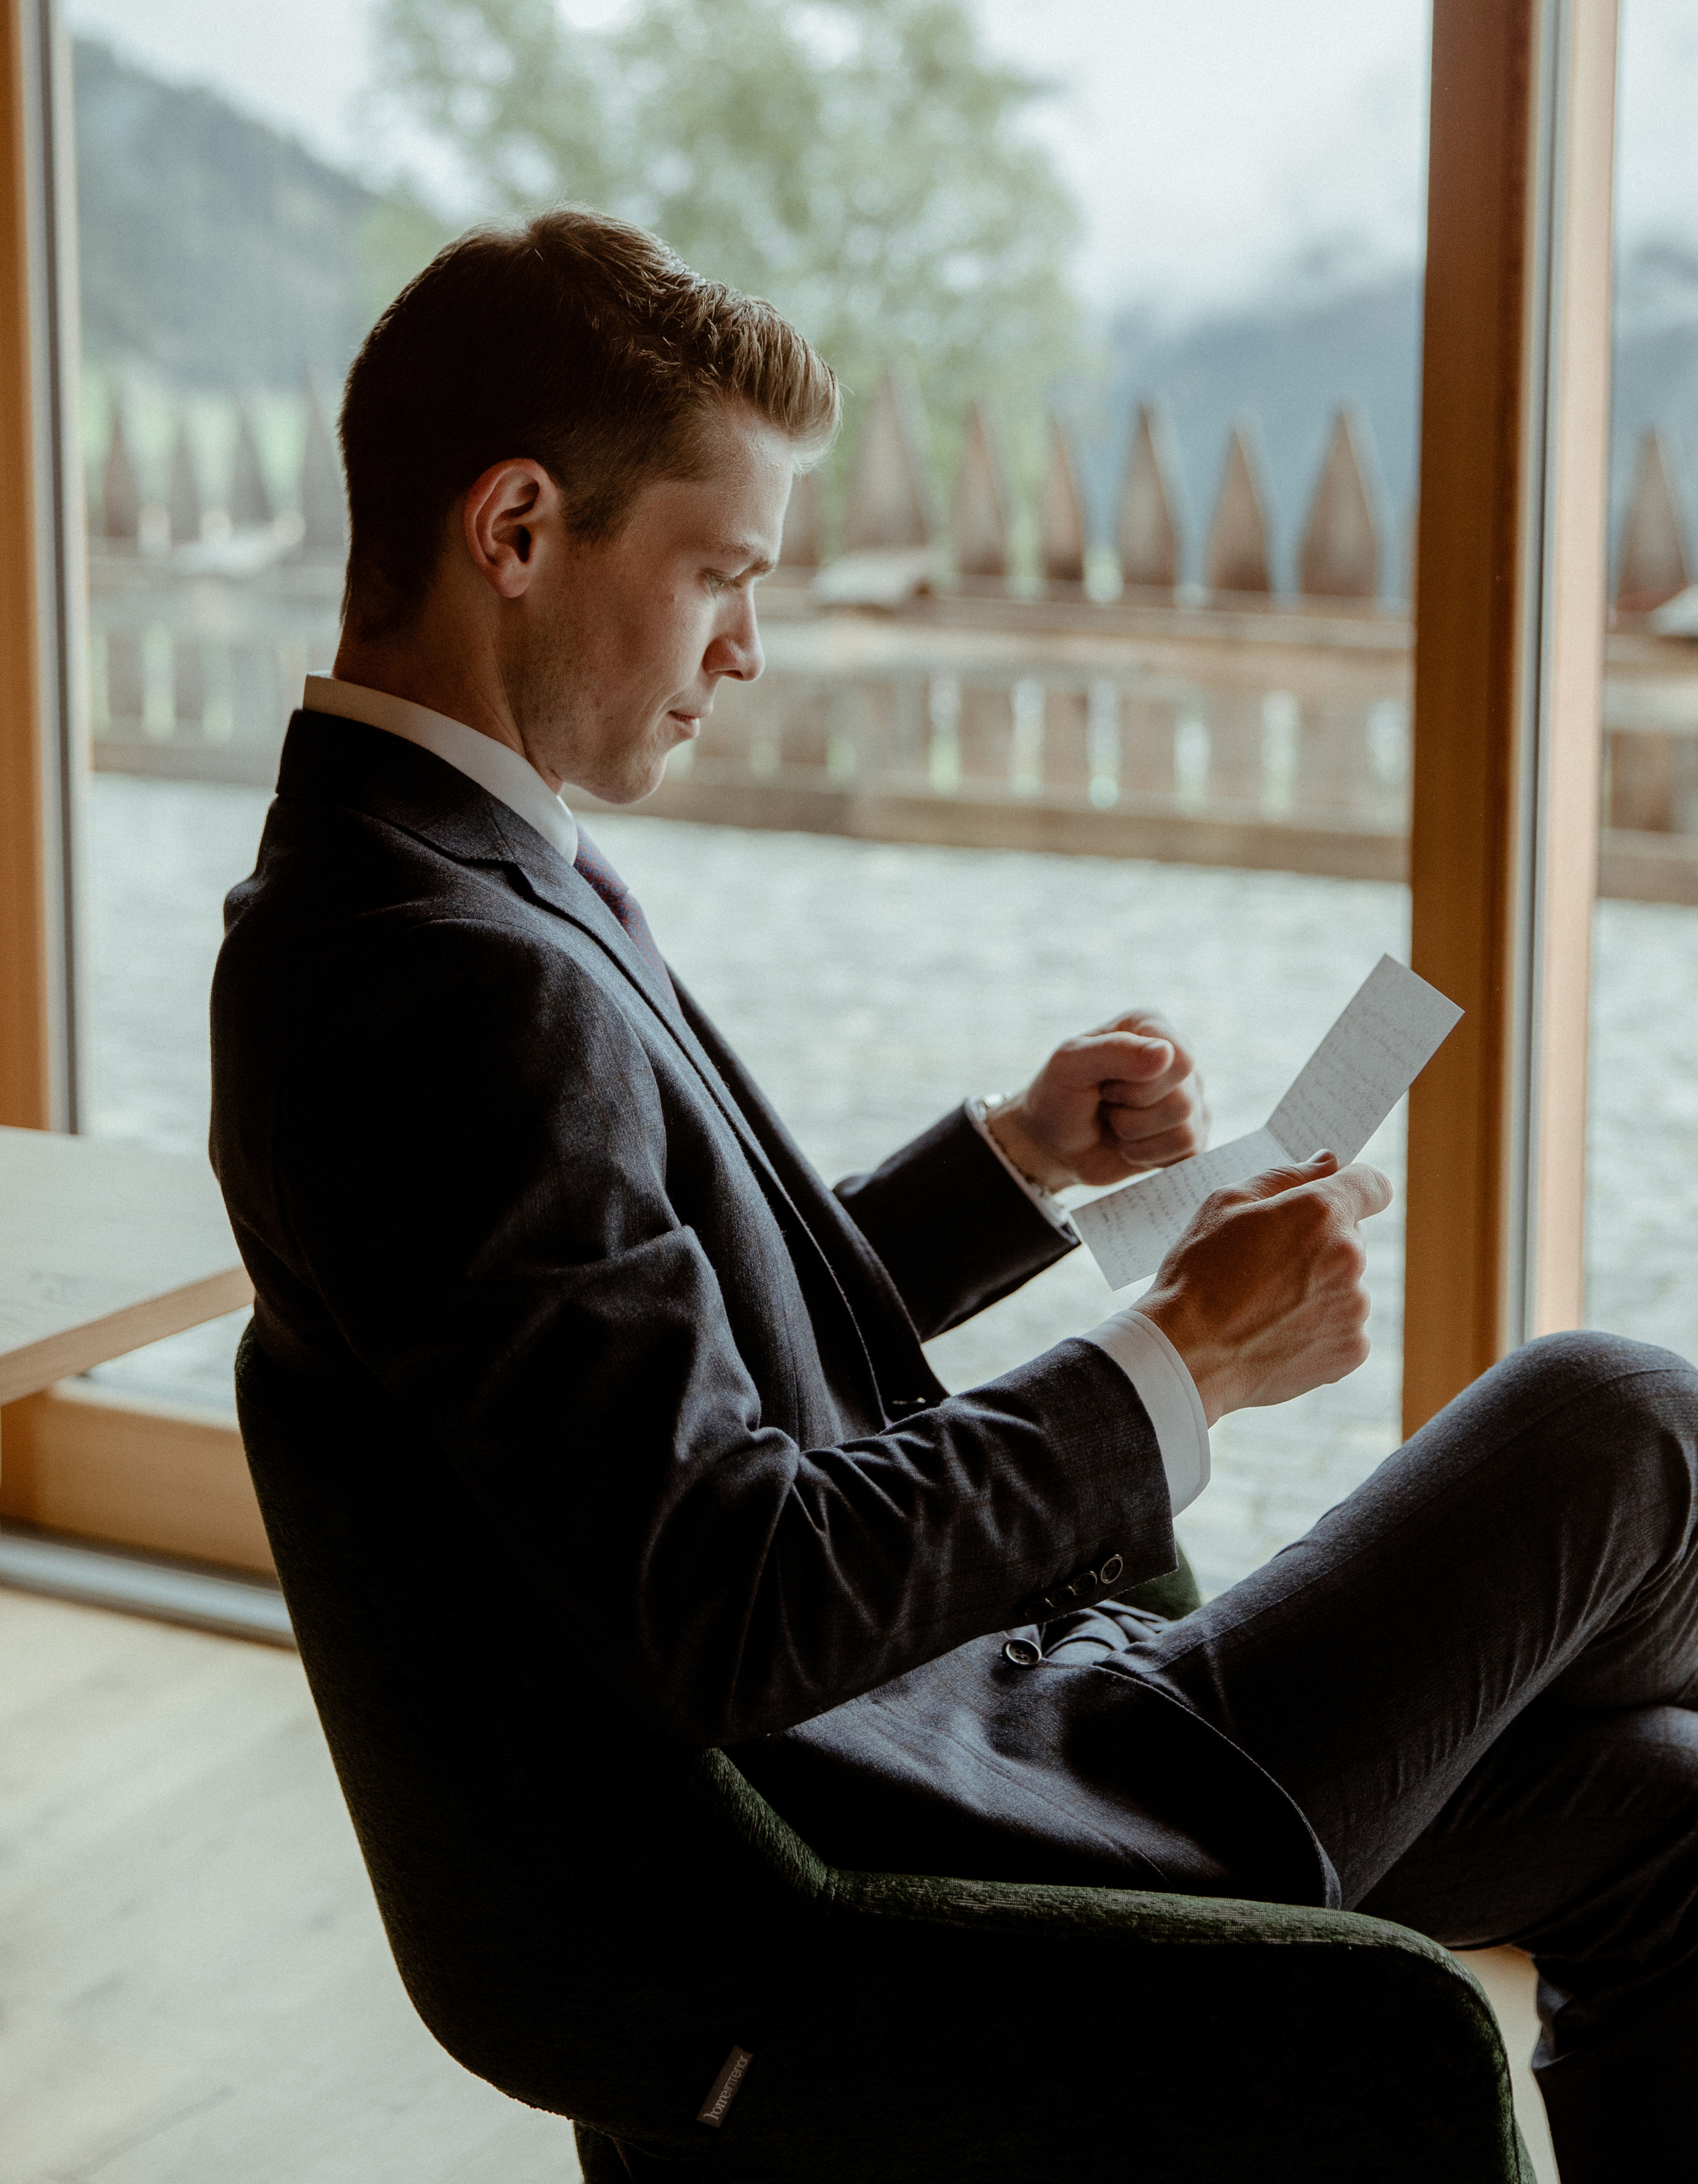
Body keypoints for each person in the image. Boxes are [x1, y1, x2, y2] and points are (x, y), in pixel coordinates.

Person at [210, 210, 1698, 2179]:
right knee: (1626, 1420)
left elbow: (641, 1362)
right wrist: (1184, 1361)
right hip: (936, 1819)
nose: (746, 644)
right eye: (722, 573)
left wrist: (1008, 1165)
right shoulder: (437, 977)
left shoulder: (429, 887)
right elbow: (727, 1603)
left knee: (1660, 1799)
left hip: (956, 1732)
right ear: (517, 527)